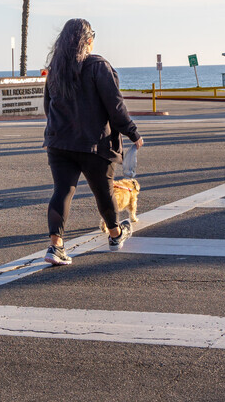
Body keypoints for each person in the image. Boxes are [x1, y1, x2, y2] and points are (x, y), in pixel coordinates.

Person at [42, 18, 144, 266]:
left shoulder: (56, 69)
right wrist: (133, 132)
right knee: (103, 192)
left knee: (62, 191)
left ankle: (55, 247)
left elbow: (48, 106)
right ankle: (115, 234)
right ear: (88, 40)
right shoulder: (98, 66)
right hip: (93, 144)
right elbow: (115, 105)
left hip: (59, 143)